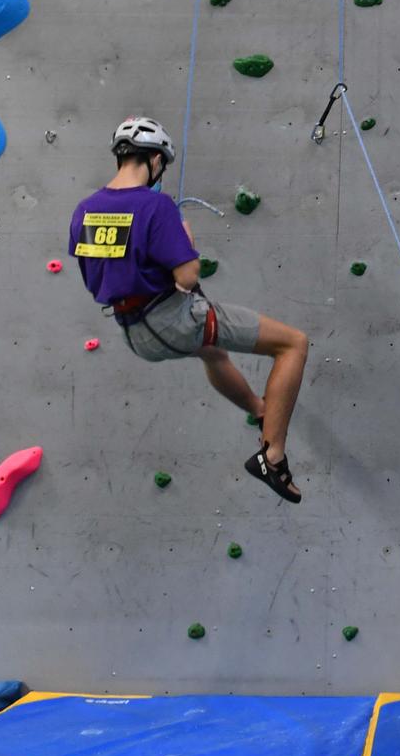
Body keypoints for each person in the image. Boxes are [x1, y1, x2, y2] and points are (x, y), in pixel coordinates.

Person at [68, 115, 310, 502]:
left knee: (212, 351)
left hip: (135, 334)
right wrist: (186, 242)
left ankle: (260, 408)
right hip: (173, 319)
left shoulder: (85, 209)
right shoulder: (155, 205)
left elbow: (96, 277)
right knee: (293, 344)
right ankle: (273, 456)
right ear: (154, 160)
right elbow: (186, 275)